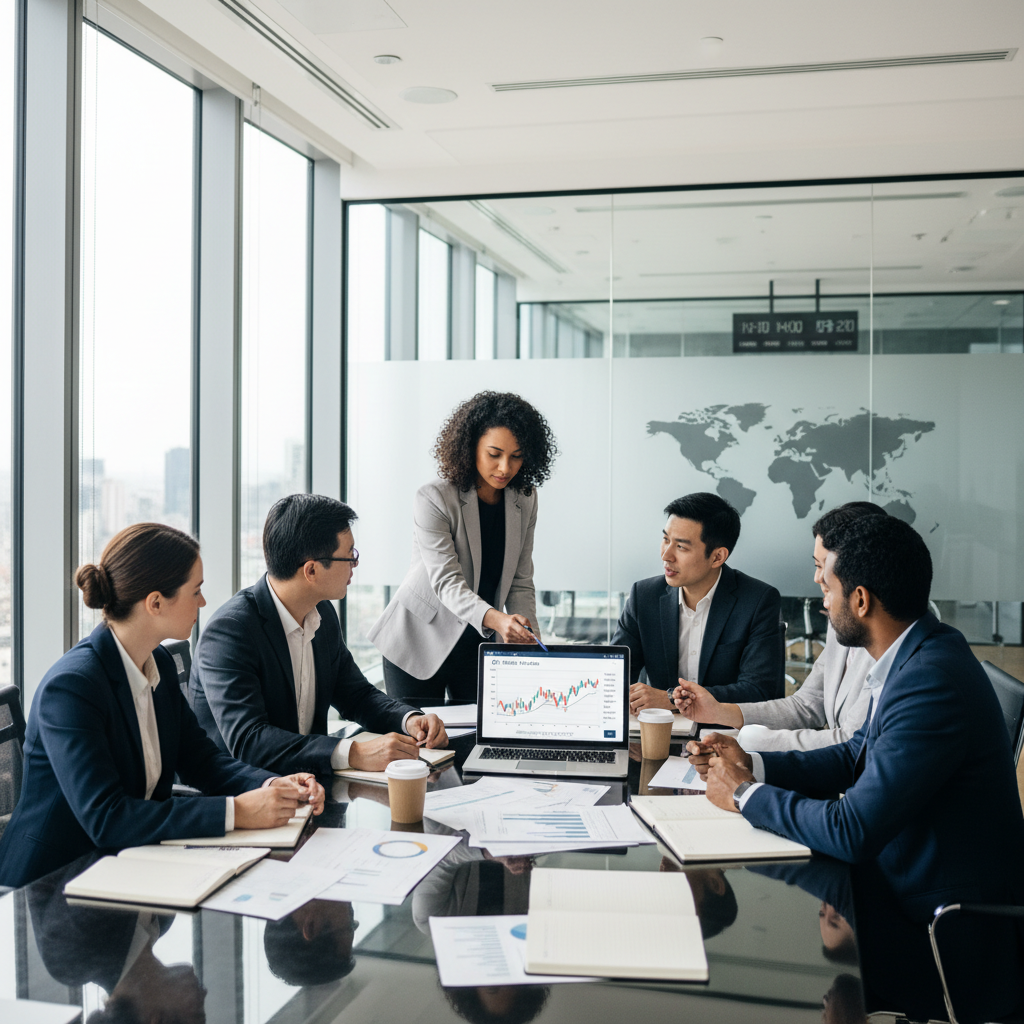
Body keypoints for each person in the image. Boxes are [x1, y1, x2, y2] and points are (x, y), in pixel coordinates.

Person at [689, 515, 1024, 918]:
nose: (822, 601)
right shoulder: (919, 654)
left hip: (937, 914)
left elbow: (853, 830)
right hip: (903, 871)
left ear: (861, 600)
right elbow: (855, 755)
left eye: (828, 588)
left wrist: (744, 794)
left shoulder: (929, 683)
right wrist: (753, 765)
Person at [0, 524, 324, 890]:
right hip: (51, 887)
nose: (203, 603)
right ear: (155, 603)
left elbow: (201, 760)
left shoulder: (158, 663)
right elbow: (107, 817)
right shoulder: (73, 687)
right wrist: (238, 812)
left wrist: (271, 784)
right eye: (196, 591)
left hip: (127, 866)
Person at [191, 494, 447, 776]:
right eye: (349, 555)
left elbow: (356, 695)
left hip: (305, 784)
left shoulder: (321, 613)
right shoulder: (230, 631)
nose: (354, 564)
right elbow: (250, 742)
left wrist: (408, 719)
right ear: (311, 570)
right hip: (245, 794)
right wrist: (355, 753)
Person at [369, 391, 558, 703]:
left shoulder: (525, 498)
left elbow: (521, 581)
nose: (505, 467)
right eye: (494, 454)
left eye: (516, 456)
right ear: (472, 448)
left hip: (477, 643)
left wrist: (533, 646)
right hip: (418, 638)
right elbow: (446, 582)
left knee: (475, 741)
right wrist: (500, 620)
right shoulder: (434, 497)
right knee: (422, 746)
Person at [672, 502, 883, 751]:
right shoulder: (841, 623)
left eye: (822, 565)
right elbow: (806, 705)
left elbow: (851, 741)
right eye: (817, 565)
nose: (817, 577)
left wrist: (746, 744)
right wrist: (719, 711)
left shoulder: (888, 640)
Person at [613, 492, 784, 714]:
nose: (666, 555)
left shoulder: (758, 601)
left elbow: (760, 690)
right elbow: (614, 674)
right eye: (665, 539)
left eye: (681, 547)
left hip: (724, 734)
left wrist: (672, 698)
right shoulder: (643, 596)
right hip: (659, 731)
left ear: (717, 557)